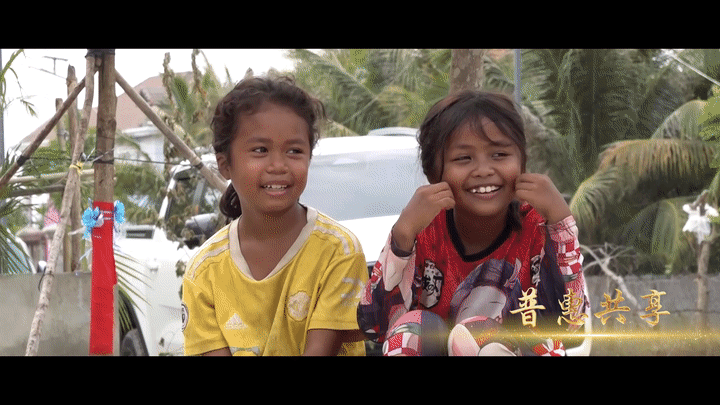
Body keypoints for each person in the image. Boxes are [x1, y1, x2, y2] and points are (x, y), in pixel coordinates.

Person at [357, 90, 589, 356]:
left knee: (483, 336)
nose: (483, 170)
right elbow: (375, 327)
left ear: (522, 163)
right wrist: (402, 237)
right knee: (412, 331)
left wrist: (561, 226)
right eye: (463, 158)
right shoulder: (423, 229)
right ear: (434, 174)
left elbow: (571, 325)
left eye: (499, 154)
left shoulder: (538, 226)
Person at [181, 75, 368, 356]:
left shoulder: (337, 251)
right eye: (260, 150)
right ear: (225, 164)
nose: (278, 165)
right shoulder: (204, 272)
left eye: (294, 151)